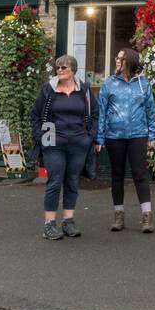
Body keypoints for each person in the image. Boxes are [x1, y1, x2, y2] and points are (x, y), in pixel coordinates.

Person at [30, 55, 97, 241]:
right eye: (57, 68)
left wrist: (89, 137)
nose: (59, 71)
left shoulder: (83, 90)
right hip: (53, 142)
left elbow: (95, 115)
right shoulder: (48, 90)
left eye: (64, 68)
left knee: (72, 181)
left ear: (73, 71)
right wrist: (41, 137)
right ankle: (49, 225)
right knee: (55, 181)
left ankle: (68, 221)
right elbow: (35, 115)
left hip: (79, 143)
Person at [95, 48, 155, 233]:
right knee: (117, 175)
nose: (117, 61)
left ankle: (147, 217)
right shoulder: (109, 83)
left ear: (129, 61)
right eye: (116, 57)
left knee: (140, 174)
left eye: (120, 58)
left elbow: (150, 110)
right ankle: (118, 216)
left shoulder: (143, 84)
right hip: (114, 136)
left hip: (138, 135)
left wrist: (151, 134)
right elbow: (102, 112)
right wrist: (99, 138)